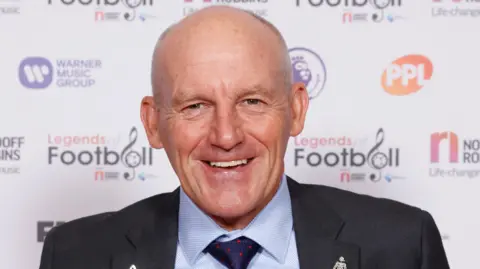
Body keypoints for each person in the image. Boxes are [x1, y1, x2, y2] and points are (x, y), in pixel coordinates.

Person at [39, 6, 450, 269]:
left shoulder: (402, 247)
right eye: (195, 106)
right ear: (152, 123)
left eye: (252, 101)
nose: (226, 135)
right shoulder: (77, 255)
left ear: (297, 110)